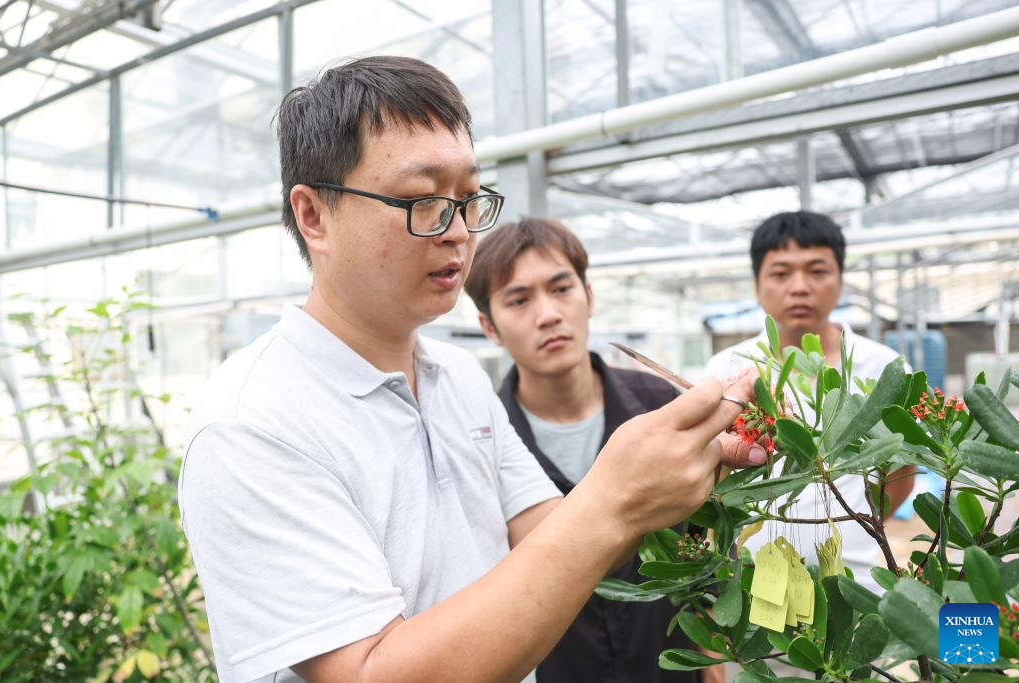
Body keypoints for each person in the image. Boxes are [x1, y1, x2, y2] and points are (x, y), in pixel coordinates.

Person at [178, 55, 762, 683]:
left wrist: (690, 462)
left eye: (466, 199)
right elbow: (368, 672)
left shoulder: (455, 376)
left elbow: (546, 530)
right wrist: (613, 500)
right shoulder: (254, 423)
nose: (457, 231)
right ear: (314, 216)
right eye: (421, 200)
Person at [465, 216, 722, 683]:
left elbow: (708, 531)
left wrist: (712, 646)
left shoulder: (660, 408)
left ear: (589, 295)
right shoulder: (481, 439)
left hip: (666, 665)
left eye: (561, 288)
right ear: (489, 326)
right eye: (519, 300)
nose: (548, 314)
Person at [703, 210, 915, 591]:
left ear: (840, 280)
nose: (800, 287)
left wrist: (859, 524)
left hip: (858, 580)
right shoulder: (726, 370)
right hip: (754, 586)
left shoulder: (885, 367)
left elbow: (901, 471)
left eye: (817, 271)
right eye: (781, 273)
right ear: (757, 285)